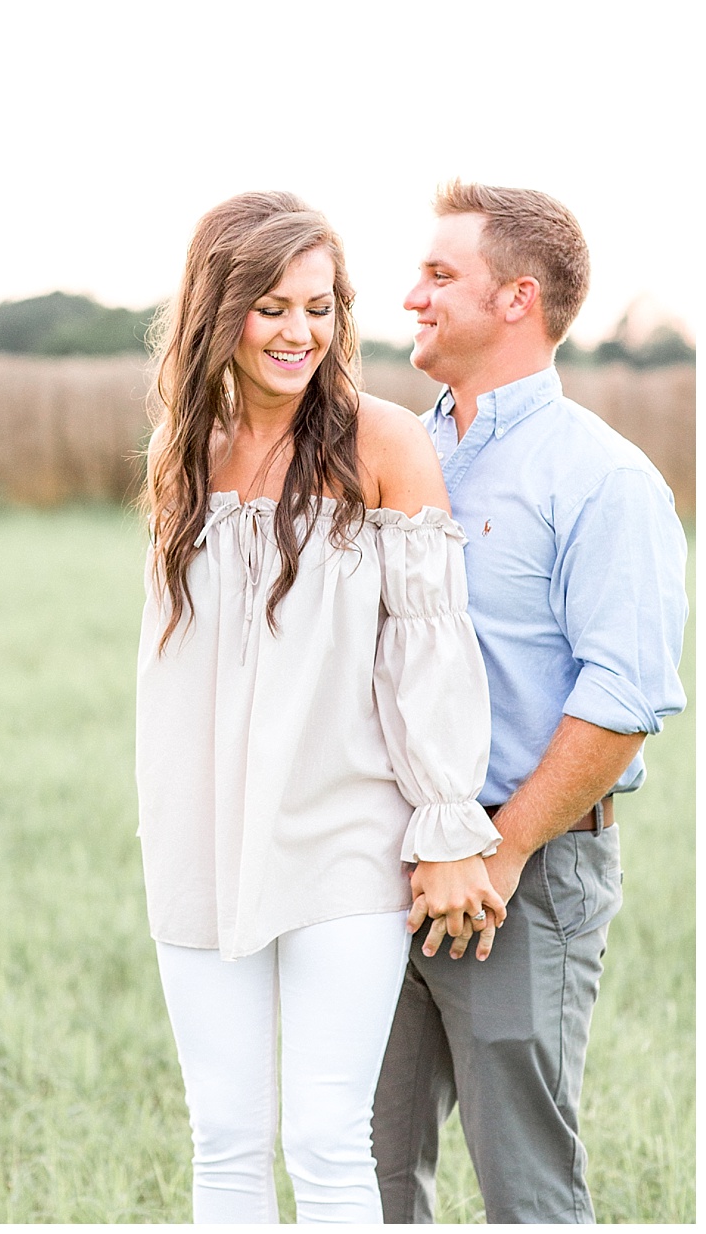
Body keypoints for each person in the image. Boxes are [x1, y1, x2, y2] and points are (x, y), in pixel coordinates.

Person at [135, 192, 508, 1223]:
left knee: (327, 1139)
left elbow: (427, 653)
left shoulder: (383, 445)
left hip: (346, 830)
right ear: (219, 311)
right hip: (198, 831)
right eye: (271, 307)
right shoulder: (182, 449)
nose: (300, 331)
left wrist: (445, 820)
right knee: (226, 1137)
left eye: (319, 306)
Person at [371, 183, 688, 1223]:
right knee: (364, 1178)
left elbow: (623, 697)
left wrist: (498, 853)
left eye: (438, 273)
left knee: (528, 1193)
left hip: (526, 876)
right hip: (385, 866)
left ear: (516, 298)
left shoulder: (604, 479)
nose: (412, 295)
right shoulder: (387, 459)